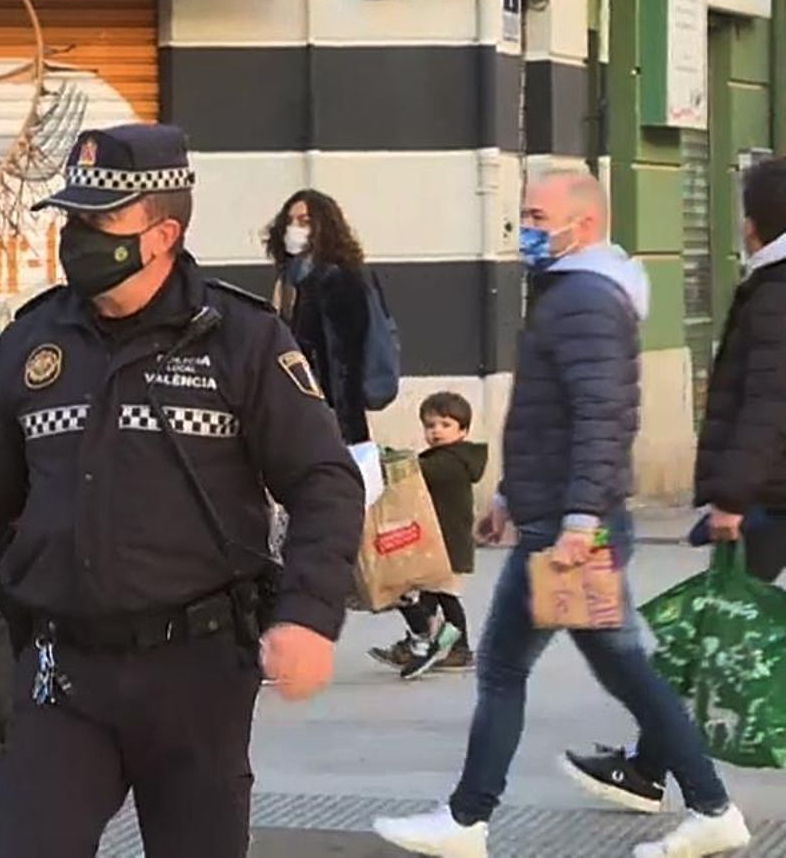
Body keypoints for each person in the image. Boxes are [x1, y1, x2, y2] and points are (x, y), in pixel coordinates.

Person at [0, 123, 364, 857]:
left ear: (161, 234)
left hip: (195, 672)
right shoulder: (34, 343)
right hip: (62, 669)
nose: (76, 236)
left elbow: (324, 481)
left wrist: (309, 615)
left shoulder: (240, 339)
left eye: (100, 221)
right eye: (72, 218)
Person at [373, 172, 751, 858]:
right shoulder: (573, 294)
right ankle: (704, 805)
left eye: (538, 215)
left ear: (584, 223)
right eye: (524, 214)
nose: (527, 229)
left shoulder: (582, 300)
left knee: (522, 670)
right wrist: (514, 495)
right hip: (561, 522)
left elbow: (600, 418)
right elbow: (551, 416)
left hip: (572, 531)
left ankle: (468, 821)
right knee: (608, 668)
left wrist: (578, 520)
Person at [559, 156, 786, 823]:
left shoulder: (776, 293)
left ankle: (651, 768)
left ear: (756, 220)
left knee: (710, 629)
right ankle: (650, 763)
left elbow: (767, 403)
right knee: (711, 628)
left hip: (770, 492)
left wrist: (734, 497)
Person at [369, 392, 487, 679]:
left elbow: (418, 472)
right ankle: (422, 644)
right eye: (430, 425)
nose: (436, 431)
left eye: (445, 425)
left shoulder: (452, 462)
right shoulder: (441, 458)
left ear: (463, 430)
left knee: (443, 597)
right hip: (435, 543)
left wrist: (386, 460)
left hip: (447, 545)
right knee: (428, 597)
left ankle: (457, 649)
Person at [265, 189, 372, 444]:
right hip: (298, 402)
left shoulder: (338, 278)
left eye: (304, 221)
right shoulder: (290, 278)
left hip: (327, 409)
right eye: (290, 221)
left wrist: (339, 422)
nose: (294, 228)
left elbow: (344, 357)